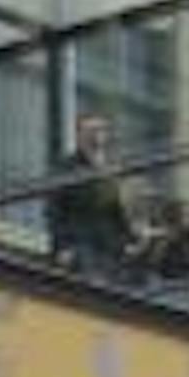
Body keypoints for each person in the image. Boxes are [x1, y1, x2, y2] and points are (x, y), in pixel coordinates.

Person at [46, 112, 138, 283]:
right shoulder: (67, 167)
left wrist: (129, 239)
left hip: (110, 243)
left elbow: (118, 210)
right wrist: (62, 246)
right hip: (81, 242)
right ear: (79, 135)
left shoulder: (113, 167)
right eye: (91, 130)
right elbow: (54, 209)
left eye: (101, 129)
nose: (97, 135)